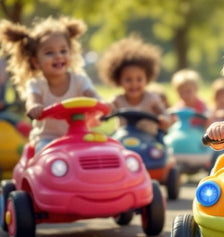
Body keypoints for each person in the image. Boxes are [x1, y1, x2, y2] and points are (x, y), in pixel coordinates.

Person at [0, 17, 103, 153]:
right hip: (47, 138)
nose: (58, 56)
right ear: (36, 62)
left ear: (70, 53)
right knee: (48, 154)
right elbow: (33, 98)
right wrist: (34, 106)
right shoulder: (37, 83)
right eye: (49, 53)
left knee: (97, 151)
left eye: (63, 51)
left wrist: (102, 104)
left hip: (78, 135)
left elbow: (92, 95)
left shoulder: (80, 80)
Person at [97, 36, 170, 137]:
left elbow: (163, 112)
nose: (134, 84)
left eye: (139, 79)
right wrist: (105, 111)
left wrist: (164, 118)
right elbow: (108, 110)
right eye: (128, 80)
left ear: (147, 78)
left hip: (148, 142)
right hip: (124, 141)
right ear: (119, 80)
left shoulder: (151, 99)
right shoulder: (118, 100)